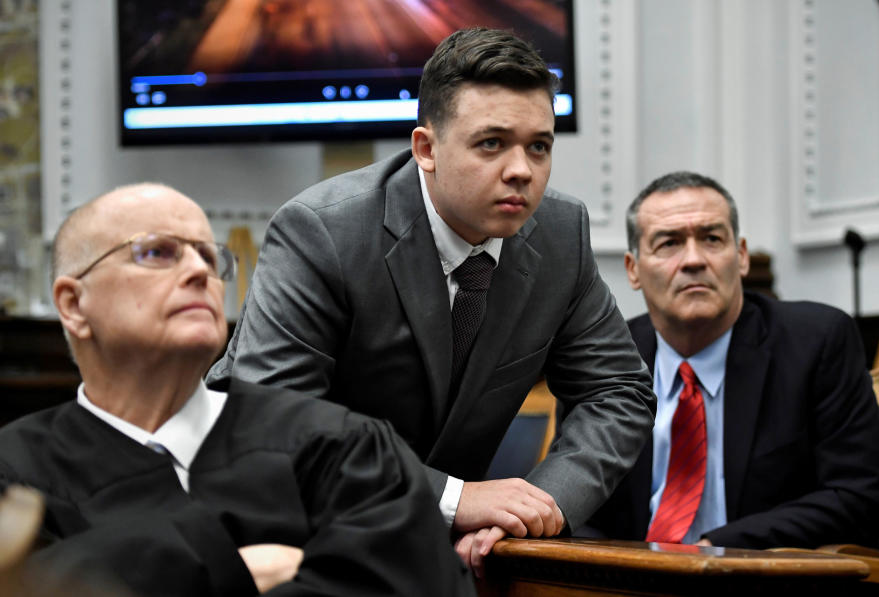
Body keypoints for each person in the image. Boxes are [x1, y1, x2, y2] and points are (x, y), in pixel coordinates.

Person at [207, 27, 655, 569]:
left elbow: (618, 391)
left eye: (539, 146)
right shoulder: (322, 232)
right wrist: (455, 498)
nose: (521, 170)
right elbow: (273, 426)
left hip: (442, 558)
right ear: (427, 149)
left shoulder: (560, 232)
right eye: (491, 143)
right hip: (286, 540)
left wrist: (540, 507)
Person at [0, 183, 474, 596]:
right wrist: (234, 569)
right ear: (73, 303)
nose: (199, 273)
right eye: (157, 252)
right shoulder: (14, 474)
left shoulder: (343, 449)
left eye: (210, 256)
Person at [587, 171, 879, 549]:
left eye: (712, 239)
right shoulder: (604, 359)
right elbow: (583, 510)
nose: (694, 260)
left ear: (741, 256)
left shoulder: (817, 343)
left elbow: (858, 499)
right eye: (669, 243)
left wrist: (713, 548)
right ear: (633, 269)